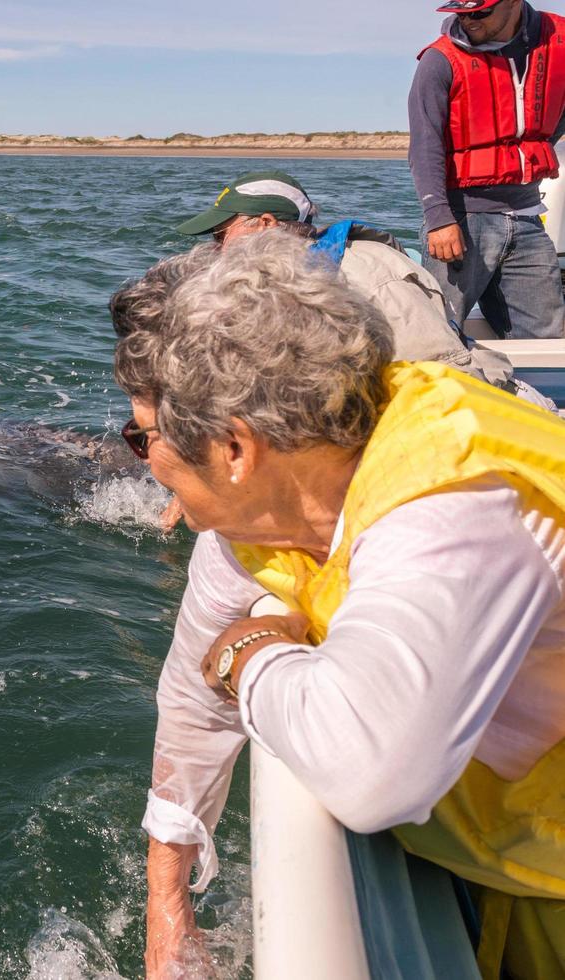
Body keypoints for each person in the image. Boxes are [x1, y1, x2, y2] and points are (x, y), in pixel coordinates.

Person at [115, 234, 565, 979]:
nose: (147, 461)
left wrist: (248, 654)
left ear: (234, 448)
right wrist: (169, 911)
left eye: (145, 437)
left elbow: (372, 775)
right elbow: (190, 703)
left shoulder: (451, 501)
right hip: (505, 856)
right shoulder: (253, 525)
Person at [176, 169, 518, 390]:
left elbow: (446, 380)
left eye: (221, 237)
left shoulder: (370, 274)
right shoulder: (274, 289)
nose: (217, 250)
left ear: (266, 224)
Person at [410, 0, 565, 338]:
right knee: (439, 336)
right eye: (461, 12)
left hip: (528, 217)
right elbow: (424, 146)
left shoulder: (559, 43)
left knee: (547, 339)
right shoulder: (438, 62)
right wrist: (439, 219)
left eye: (479, 12)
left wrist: (534, 152)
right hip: (460, 222)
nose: (467, 21)